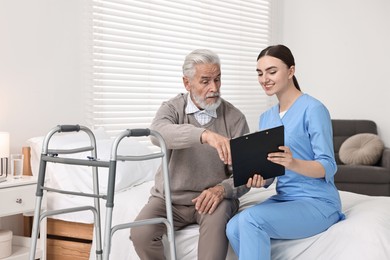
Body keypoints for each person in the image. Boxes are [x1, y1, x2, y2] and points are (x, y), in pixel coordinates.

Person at [226, 44, 345, 259]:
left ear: (291, 71)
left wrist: (293, 163)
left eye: (272, 71)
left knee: (250, 220)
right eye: (260, 73)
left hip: (318, 202)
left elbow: (329, 165)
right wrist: (259, 179)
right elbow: (270, 174)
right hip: (285, 198)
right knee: (233, 227)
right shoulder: (266, 118)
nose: (265, 79)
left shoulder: (313, 109)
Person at [130, 49, 250, 260]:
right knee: (140, 233)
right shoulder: (172, 108)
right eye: (205, 81)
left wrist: (222, 190)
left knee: (212, 253)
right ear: (187, 83)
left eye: (217, 79)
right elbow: (158, 134)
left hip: (212, 199)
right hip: (169, 200)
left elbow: (246, 172)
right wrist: (204, 135)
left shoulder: (235, 118)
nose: (214, 88)